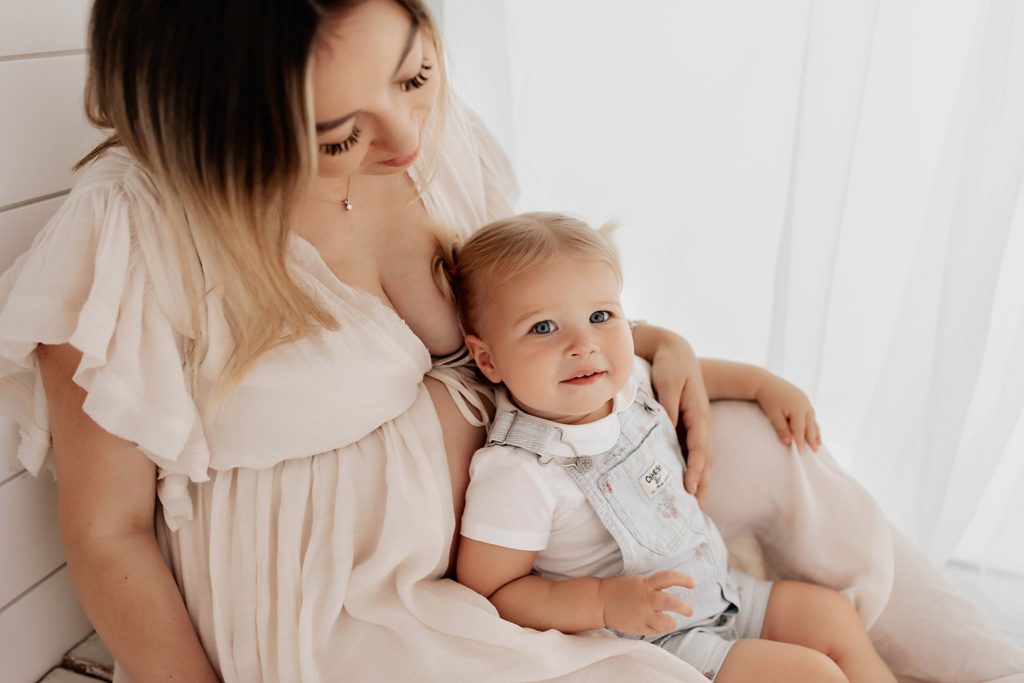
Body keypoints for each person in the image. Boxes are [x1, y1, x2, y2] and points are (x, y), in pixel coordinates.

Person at [1, 1, 1022, 681]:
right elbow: (108, 530)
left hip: (547, 484)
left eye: (415, 77)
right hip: (373, 604)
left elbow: (512, 297)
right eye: (337, 136)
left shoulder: (429, 144)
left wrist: (650, 343)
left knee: (778, 450)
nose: (404, 142)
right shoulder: (135, 233)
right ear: (213, 125)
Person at [448, 212, 896, 682]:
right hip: (651, 637)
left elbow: (694, 379)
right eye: (543, 327)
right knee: (811, 674)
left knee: (830, 615)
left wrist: (763, 386)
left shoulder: (628, 385)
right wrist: (602, 601)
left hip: (716, 588)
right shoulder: (519, 469)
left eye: (600, 316)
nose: (583, 344)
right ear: (487, 358)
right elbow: (493, 591)